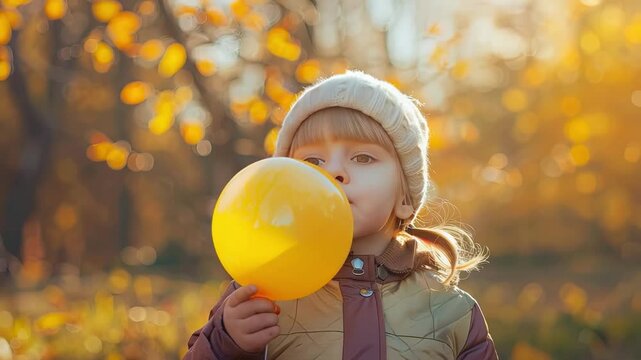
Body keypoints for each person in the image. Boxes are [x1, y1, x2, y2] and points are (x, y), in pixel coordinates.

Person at [184, 71, 498, 359]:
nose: (333, 172)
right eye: (313, 161)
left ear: (405, 197)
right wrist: (227, 343)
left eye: (363, 157)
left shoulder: (451, 311)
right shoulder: (260, 296)